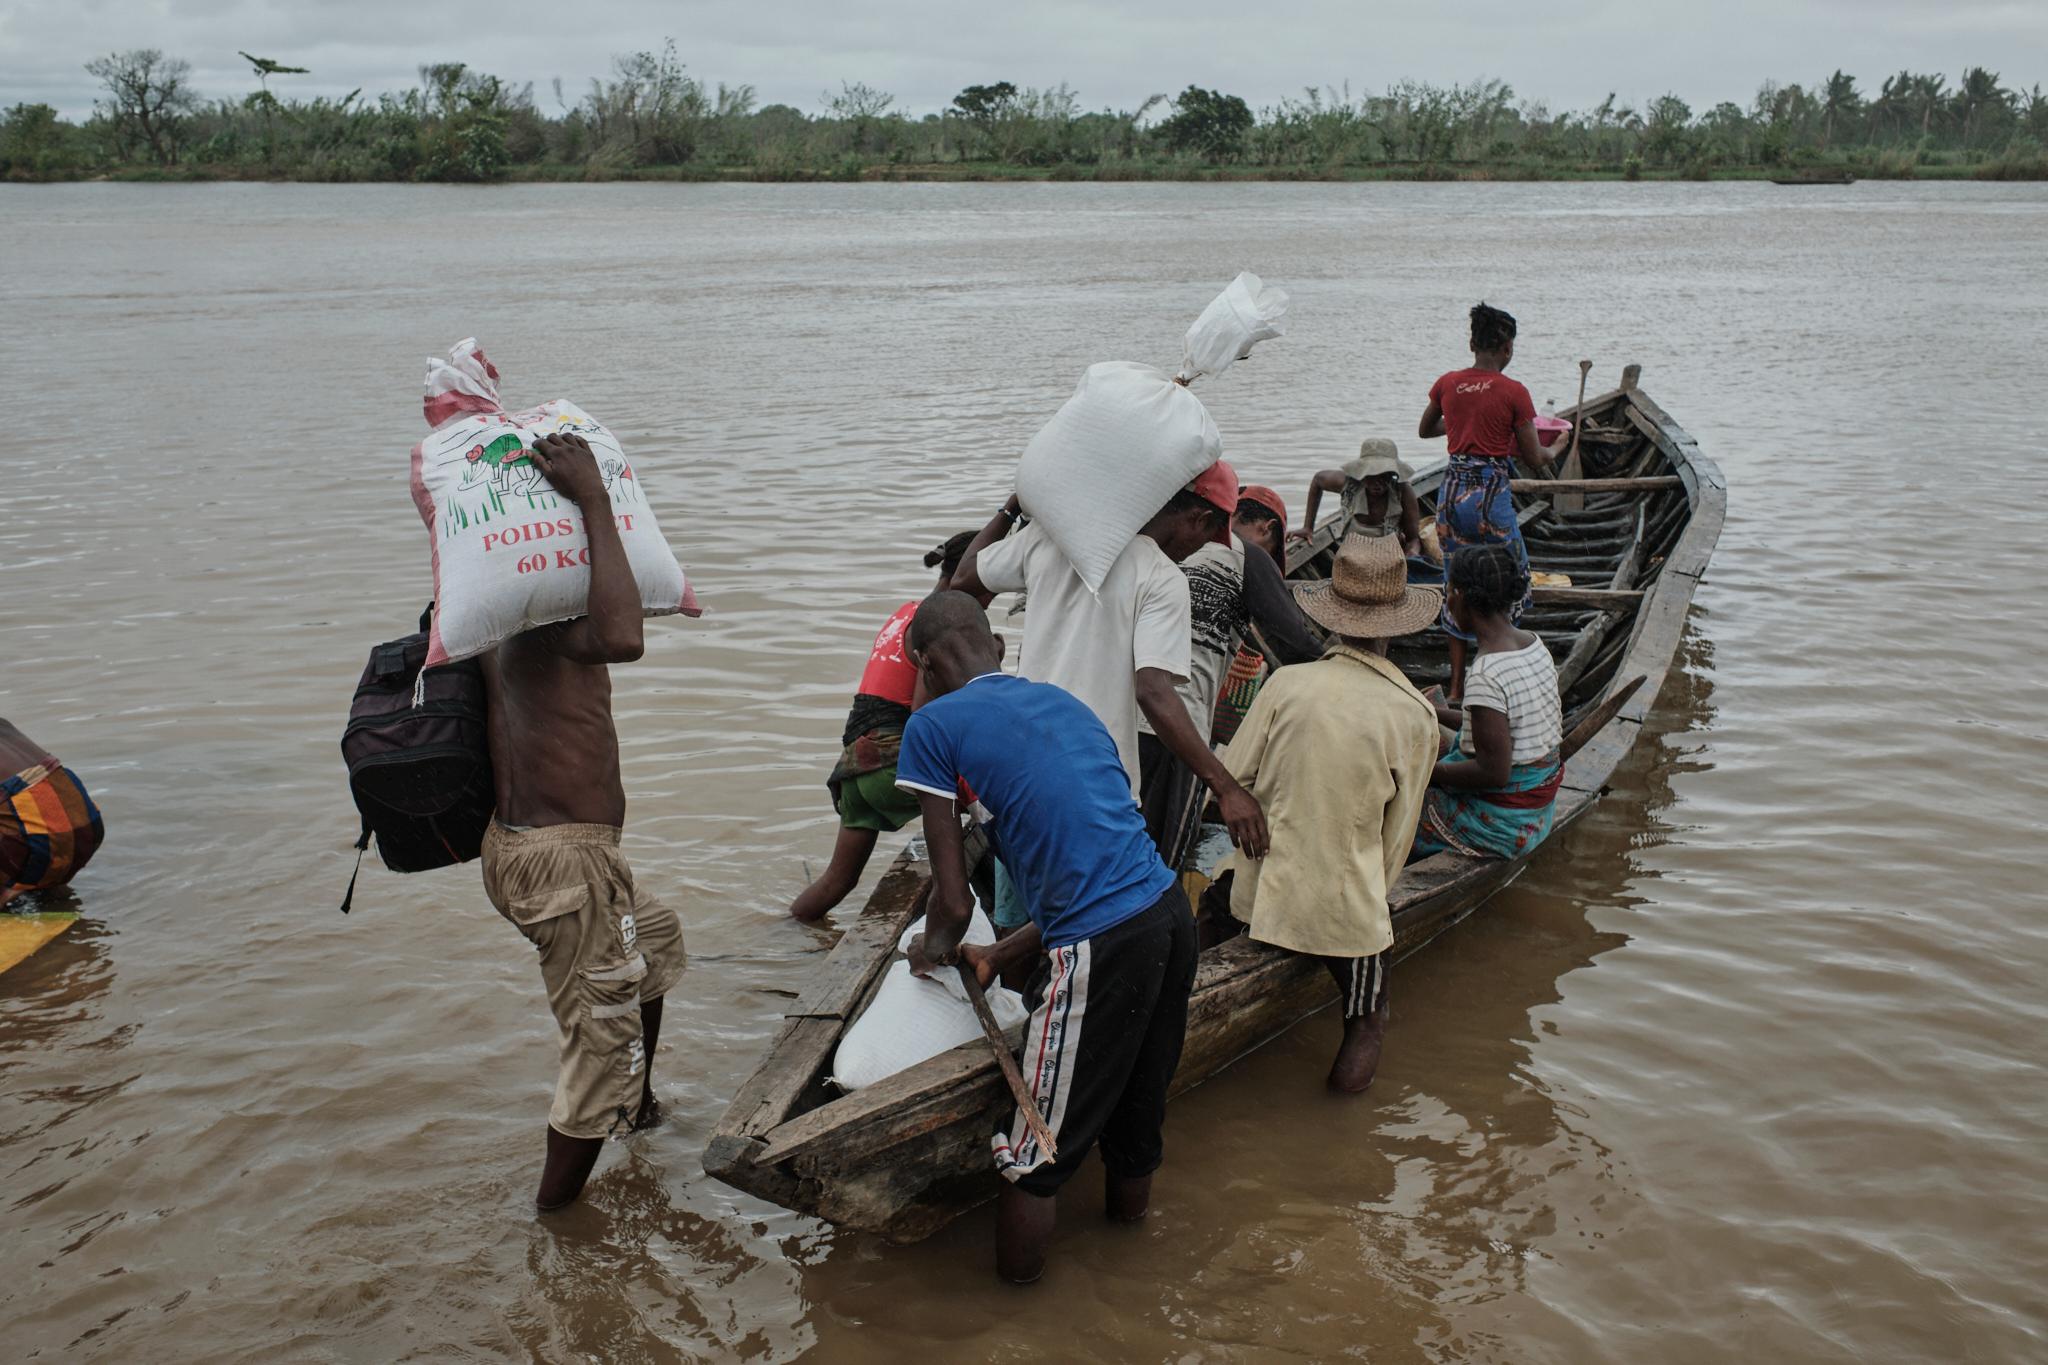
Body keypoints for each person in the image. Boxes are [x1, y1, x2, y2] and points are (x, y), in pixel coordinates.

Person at [895, 591, 1198, 1284]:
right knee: (1135, 1125)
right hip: (1167, 915)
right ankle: (1132, 1274)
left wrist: (932, 951)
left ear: (923, 661)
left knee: (1032, 1157)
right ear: (998, 647)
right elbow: (1100, 867)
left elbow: (951, 897)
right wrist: (1000, 954)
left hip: (1104, 944)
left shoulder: (933, 727)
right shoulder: (1067, 706)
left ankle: (1016, 1318)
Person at [476, 431, 688, 1212]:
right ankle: (556, 1224)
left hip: (548, 853)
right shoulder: (544, 623)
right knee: (599, 1043)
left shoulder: (502, 614)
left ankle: (637, 1106)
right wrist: (593, 495)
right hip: (565, 862)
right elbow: (626, 635)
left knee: (655, 944)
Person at [1209, 533, 1440, 1092]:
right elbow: (1395, 842)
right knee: (1367, 1021)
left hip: (1260, 899)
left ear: (1332, 618)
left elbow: (1232, 784)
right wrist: (1368, 902)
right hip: (1345, 916)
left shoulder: (1286, 684)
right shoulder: (1415, 714)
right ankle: (1340, 1122)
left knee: (1213, 905)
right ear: (1397, 626)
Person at [951, 469, 1268, 863]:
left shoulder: (1051, 539)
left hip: (1021, 772)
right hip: (1095, 789)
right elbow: (1152, 690)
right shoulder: (1161, 576)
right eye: (1206, 538)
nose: (1200, 548)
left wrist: (1012, 506)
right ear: (1200, 520)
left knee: (1043, 904)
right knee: (1113, 910)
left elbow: (963, 578)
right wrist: (1227, 789)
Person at [788, 532, 988, 922]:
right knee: (1004, 799)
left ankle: (782, 935)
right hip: (891, 762)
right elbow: (923, 717)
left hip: (856, 764)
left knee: (837, 881)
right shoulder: (940, 627)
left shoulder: (907, 612)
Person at [1134, 464, 1320, 872]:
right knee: (1158, 863)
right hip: (1175, 730)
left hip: (1113, 720)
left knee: (1118, 846)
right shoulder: (1247, 556)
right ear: (1268, 531)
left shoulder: (1151, 542)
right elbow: (1296, 645)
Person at [1418, 302, 1568, 700]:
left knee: (1456, 578)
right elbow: (1535, 457)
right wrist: (1560, 448)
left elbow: (1426, 428)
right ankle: (1500, 665)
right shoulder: (1514, 391)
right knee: (1513, 577)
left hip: (1451, 491)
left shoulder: (1448, 383)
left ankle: (1455, 687)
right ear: (1507, 348)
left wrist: (1465, 424)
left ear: (1472, 343)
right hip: (1488, 494)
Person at [1414, 545, 1564, 861]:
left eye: (1448, 590)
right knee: (1430, 714)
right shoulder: (1533, 644)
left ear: (1462, 596)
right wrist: (1434, 711)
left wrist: (1424, 773)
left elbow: (1493, 773)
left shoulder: (1486, 672)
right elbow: (1500, 726)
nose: (1447, 600)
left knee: (1395, 804)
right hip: (1537, 808)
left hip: (1503, 824)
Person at [1212, 484, 1316, 747]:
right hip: (1192, 704)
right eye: (1273, 551)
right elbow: (1296, 639)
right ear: (1266, 528)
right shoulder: (1249, 554)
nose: (1269, 559)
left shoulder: (1196, 539)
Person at [0, 718, 105, 908]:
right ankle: (47, 889)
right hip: (87, 830)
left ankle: (12, 889)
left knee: (18, 814)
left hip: (32, 843)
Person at [1290, 438, 1425, 557]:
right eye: (1371, 475)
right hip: (1351, 557)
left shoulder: (1403, 491)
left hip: (1389, 558)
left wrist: (1411, 554)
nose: (1377, 483)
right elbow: (1318, 480)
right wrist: (1308, 527)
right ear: (1362, 472)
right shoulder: (1348, 484)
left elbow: (1413, 539)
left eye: (1384, 476)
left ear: (1392, 474)